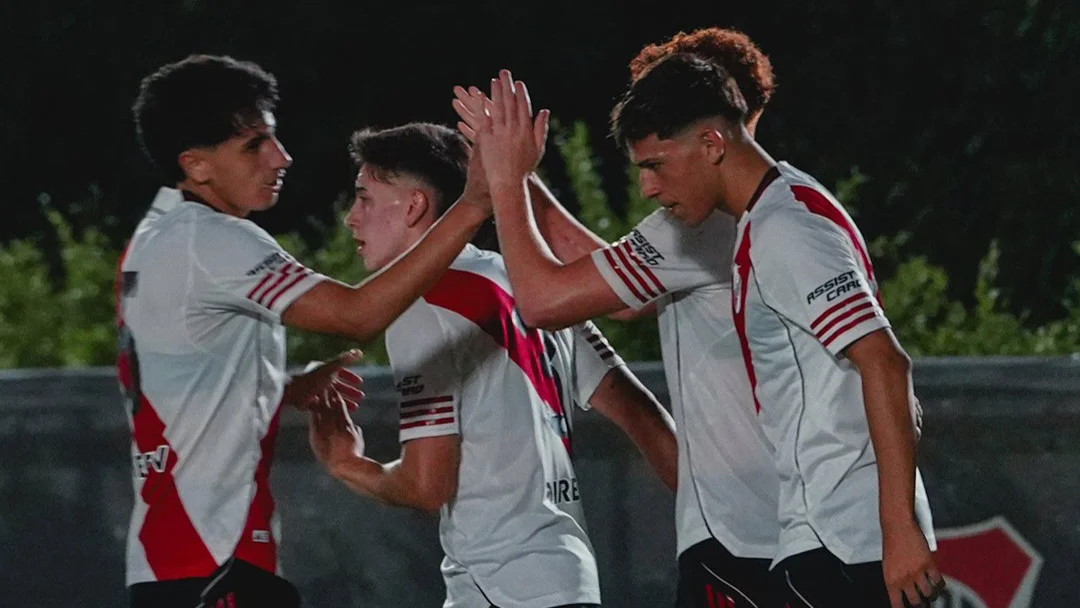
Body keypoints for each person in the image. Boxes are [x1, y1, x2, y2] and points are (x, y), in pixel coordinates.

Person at [121, 54, 491, 608]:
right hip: (215, 563)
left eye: (273, 137)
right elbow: (357, 314)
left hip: (170, 561)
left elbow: (176, 376)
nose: (281, 156)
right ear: (195, 165)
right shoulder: (214, 240)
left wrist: (282, 387)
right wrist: (476, 203)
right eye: (254, 145)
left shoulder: (155, 234)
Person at [451, 29, 783, 608]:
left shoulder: (705, 224)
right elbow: (616, 281)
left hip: (749, 535)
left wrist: (505, 180)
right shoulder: (775, 206)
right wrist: (523, 179)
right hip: (777, 523)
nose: (649, 180)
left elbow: (546, 299)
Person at [604, 53, 943, 608]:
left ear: (713, 144)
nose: (647, 187)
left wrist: (897, 531)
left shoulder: (784, 228)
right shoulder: (777, 210)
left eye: (657, 165)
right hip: (829, 537)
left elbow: (886, 363)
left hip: (843, 542)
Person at [307, 121, 677, 608]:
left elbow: (426, 484)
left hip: (502, 587)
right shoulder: (527, 283)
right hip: (569, 576)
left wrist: (346, 464)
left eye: (365, 198)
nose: (352, 219)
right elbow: (642, 416)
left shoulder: (421, 303)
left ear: (415, 205)